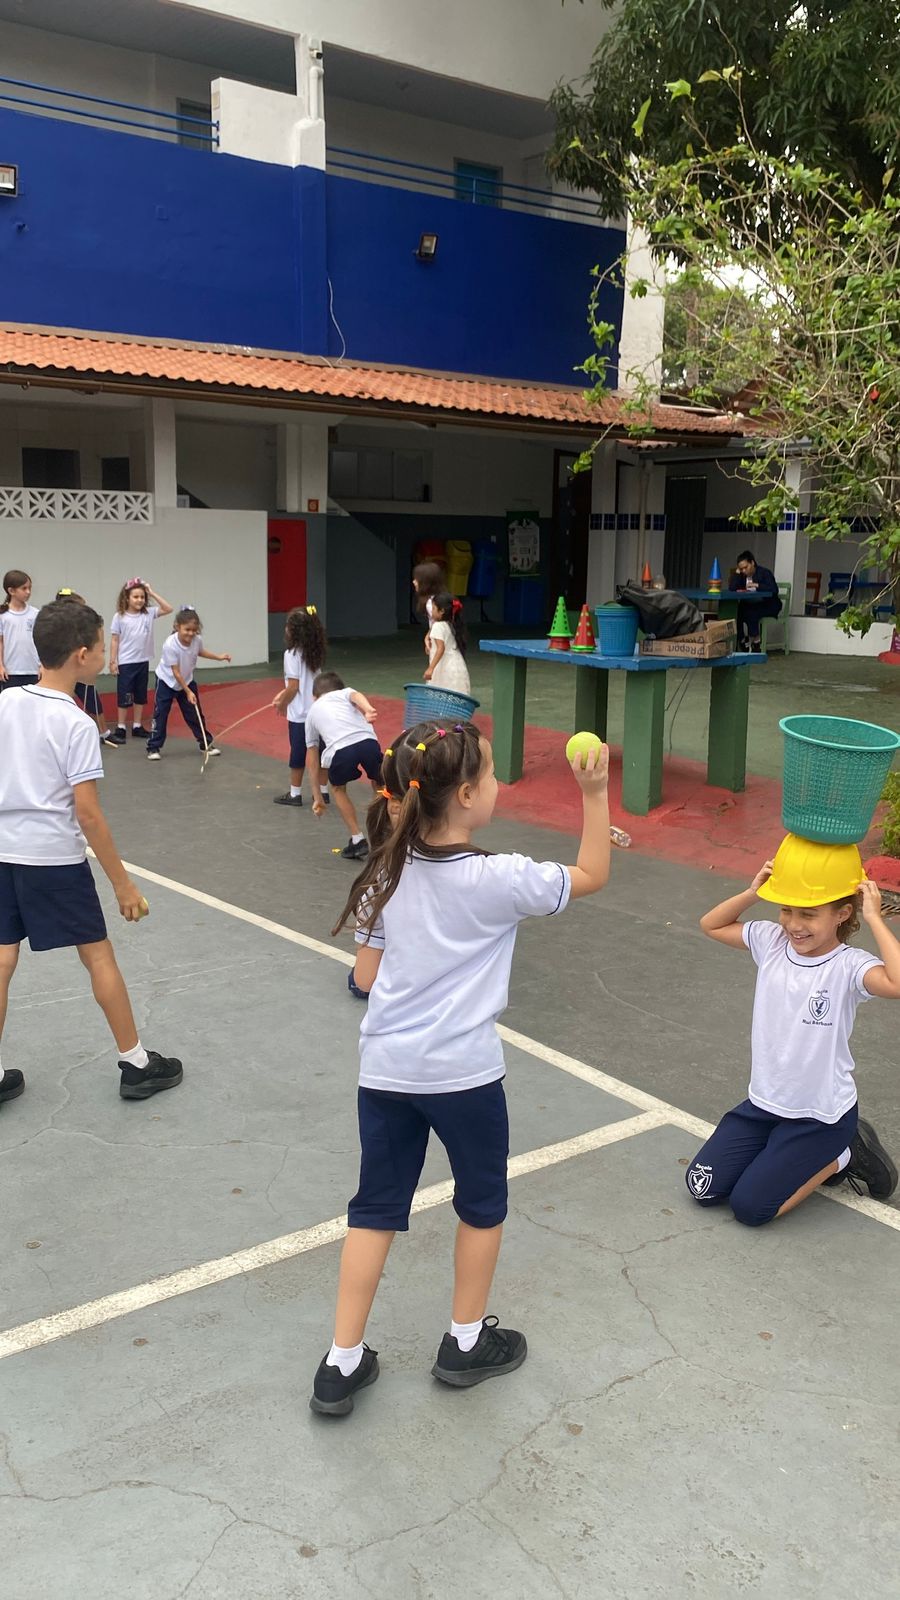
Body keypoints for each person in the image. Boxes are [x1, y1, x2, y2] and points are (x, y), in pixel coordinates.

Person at [309, 720, 611, 1417]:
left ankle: (342, 1362)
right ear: (469, 794)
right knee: (481, 1203)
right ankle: (465, 1344)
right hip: (465, 1077)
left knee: (374, 1207)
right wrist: (594, 796)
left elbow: (363, 975)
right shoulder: (502, 878)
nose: (500, 783)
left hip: (386, 1071)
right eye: (497, 773)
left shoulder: (385, 869)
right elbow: (591, 873)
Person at [0, 600, 183, 1104]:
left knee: (1, 960)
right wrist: (122, 884)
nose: (105, 653)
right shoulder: (77, 724)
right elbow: (88, 814)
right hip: (54, 859)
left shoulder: (5, 702)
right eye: (102, 645)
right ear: (83, 655)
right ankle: (137, 1064)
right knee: (98, 955)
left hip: (3, 854)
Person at [686, 837, 900, 1228]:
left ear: (841, 914)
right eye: (786, 909)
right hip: (764, 1105)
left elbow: (897, 982)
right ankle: (781, 1155)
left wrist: (874, 918)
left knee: (751, 1209)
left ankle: (843, 1155)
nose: (794, 925)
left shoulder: (850, 967)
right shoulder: (770, 942)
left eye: (809, 914)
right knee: (703, 1189)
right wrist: (753, 892)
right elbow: (711, 924)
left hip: (819, 1115)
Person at [305, 672, 381, 860]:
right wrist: (368, 709)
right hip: (368, 742)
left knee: (338, 788)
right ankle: (385, 829)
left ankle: (357, 839)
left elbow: (312, 758)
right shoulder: (344, 693)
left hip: (340, 749)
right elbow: (356, 696)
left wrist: (318, 796)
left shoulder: (312, 711)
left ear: (314, 696)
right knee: (380, 783)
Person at [146, 607, 231, 760]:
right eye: (187, 630)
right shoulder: (170, 645)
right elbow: (175, 672)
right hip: (167, 681)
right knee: (161, 713)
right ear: (177, 626)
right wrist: (188, 691)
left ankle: (205, 743)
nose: (190, 634)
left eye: (194, 630)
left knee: (194, 713)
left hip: (187, 680)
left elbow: (200, 651)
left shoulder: (196, 640)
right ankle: (153, 747)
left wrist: (219, 657)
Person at [270, 604, 329, 809]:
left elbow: (294, 686)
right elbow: (304, 682)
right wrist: (282, 694)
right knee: (321, 752)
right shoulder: (314, 651)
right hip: (318, 710)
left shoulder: (291, 654)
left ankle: (295, 793)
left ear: (293, 631)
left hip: (300, 715)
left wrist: (282, 704)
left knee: (298, 753)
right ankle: (323, 791)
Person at [109, 578, 172, 741]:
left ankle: (137, 725)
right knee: (124, 695)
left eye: (142, 597)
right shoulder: (120, 617)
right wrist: (113, 660)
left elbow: (168, 608)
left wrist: (151, 592)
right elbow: (115, 639)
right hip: (126, 662)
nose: (139, 600)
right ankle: (121, 726)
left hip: (142, 661)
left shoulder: (148, 613)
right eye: (135, 597)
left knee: (140, 695)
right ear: (127, 598)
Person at [55, 588, 118, 749]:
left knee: (92, 699)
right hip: (65, 669)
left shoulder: (82, 625)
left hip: (81, 668)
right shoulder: (56, 624)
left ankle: (104, 732)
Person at [424, 591, 471, 695]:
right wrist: (428, 640)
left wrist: (431, 668)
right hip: (455, 665)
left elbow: (441, 648)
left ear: (441, 611)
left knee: (441, 694)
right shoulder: (451, 624)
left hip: (444, 667)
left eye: (433, 608)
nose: (431, 611)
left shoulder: (437, 626)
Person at [733, 550, 781, 651]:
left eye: (746, 567)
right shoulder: (742, 575)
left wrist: (757, 585)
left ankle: (756, 641)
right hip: (751, 603)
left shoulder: (764, 573)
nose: (744, 571)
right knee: (737, 611)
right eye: (741, 569)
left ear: (752, 563)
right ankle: (742, 640)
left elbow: (774, 590)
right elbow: (732, 588)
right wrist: (737, 574)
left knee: (751, 612)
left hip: (769, 604)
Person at [0, 569, 40, 689]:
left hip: (33, 670)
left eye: (29, 588)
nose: (28, 592)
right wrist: (1, 666)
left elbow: (40, 641)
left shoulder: (35, 613)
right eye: (24, 588)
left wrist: (42, 665)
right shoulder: (3, 615)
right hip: (11, 672)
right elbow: (0, 642)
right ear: (11, 591)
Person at [412, 560, 444, 657]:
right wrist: (428, 636)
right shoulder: (438, 599)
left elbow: (441, 627)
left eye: (417, 579)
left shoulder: (432, 604)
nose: (414, 582)